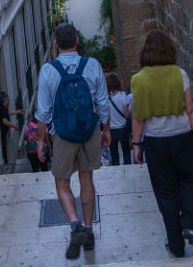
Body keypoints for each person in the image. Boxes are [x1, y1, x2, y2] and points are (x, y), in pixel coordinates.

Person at [131, 28, 193, 259]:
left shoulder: (138, 80)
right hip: (183, 138)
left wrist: (136, 144)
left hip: (156, 142)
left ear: (146, 52)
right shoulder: (180, 74)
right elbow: (191, 110)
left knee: (165, 194)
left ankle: (176, 245)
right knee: (187, 181)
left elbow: (138, 117)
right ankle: (189, 223)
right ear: (169, 50)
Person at [36, 22, 111, 260]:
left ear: (56, 44)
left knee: (62, 182)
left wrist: (40, 140)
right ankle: (88, 229)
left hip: (63, 134)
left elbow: (43, 112)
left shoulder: (48, 71)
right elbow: (102, 101)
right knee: (86, 178)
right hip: (89, 131)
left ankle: (74, 225)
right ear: (77, 40)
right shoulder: (92, 65)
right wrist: (106, 129)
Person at [106, 73, 131, 165]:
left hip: (111, 129)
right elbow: (126, 114)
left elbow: (105, 116)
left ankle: (116, 167)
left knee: (114, 153)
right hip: (123, 128)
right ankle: (128, 168)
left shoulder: (105, 97)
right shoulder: (123, 94)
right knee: (126, 151)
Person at [0, 92, 23, 168]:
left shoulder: (3, 107)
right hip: (3, 131)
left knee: (5, 145)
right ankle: (6, 163)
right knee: (4, 146)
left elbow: (7, 113)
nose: (9, 101)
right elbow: (5, 121)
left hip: (4, 131)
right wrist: (14, 126)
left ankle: (6, 162)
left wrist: (17, 112)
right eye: (7, 99)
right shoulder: (3, 108)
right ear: (4, 100)